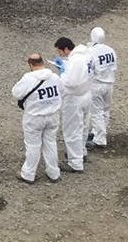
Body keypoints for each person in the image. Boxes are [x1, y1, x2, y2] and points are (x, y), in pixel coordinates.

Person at [12, 54, 62, 184]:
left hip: (34, 117)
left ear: (30, 64)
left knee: (33, 145)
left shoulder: (28, 78)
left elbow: (16, 93)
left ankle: (28, 173)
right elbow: (61, 91)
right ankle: (53, 172)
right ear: (43, 62)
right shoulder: (55, 77)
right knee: (50, 143)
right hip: (53, 115)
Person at [55, 38, 94, 173]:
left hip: (75, 97)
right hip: (87, 93)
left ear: (65, 49)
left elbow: (71, 82)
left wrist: (62, 73)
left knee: (72, 130)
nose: (60, 55)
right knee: (83, 126)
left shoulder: (76, 60)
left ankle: (75, 162)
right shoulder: (87, 54)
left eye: (60, 51)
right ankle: (81, 152)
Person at [87, 27, 118, 149]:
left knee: (96, 112)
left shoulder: (91, 51)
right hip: (109, 83)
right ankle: (98, 131)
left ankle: (99, 138)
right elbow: (114, 67)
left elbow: (89, 69)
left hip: (97, 84)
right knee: (105, 110)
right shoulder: (110, 50)